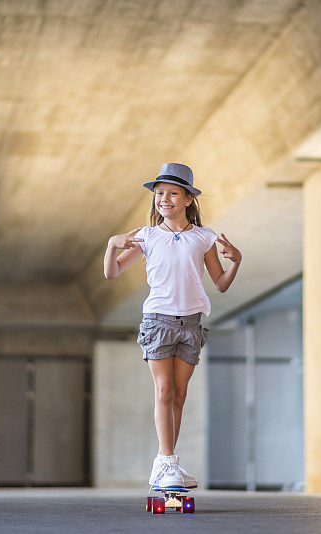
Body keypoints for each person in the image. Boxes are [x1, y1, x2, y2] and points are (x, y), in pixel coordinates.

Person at [103, 162, 242, 489]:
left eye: (172, 193)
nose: (164, 199)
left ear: (188, 199)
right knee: (164, 391)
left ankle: (168, 464)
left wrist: (236, 261)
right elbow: (112, 273)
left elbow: (220, 283)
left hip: (191, 324)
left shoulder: (205, 237)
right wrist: (112, 244)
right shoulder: (146, 236)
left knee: (178, 396)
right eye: (159, 193)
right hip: (158, 321)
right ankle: (166, 463)